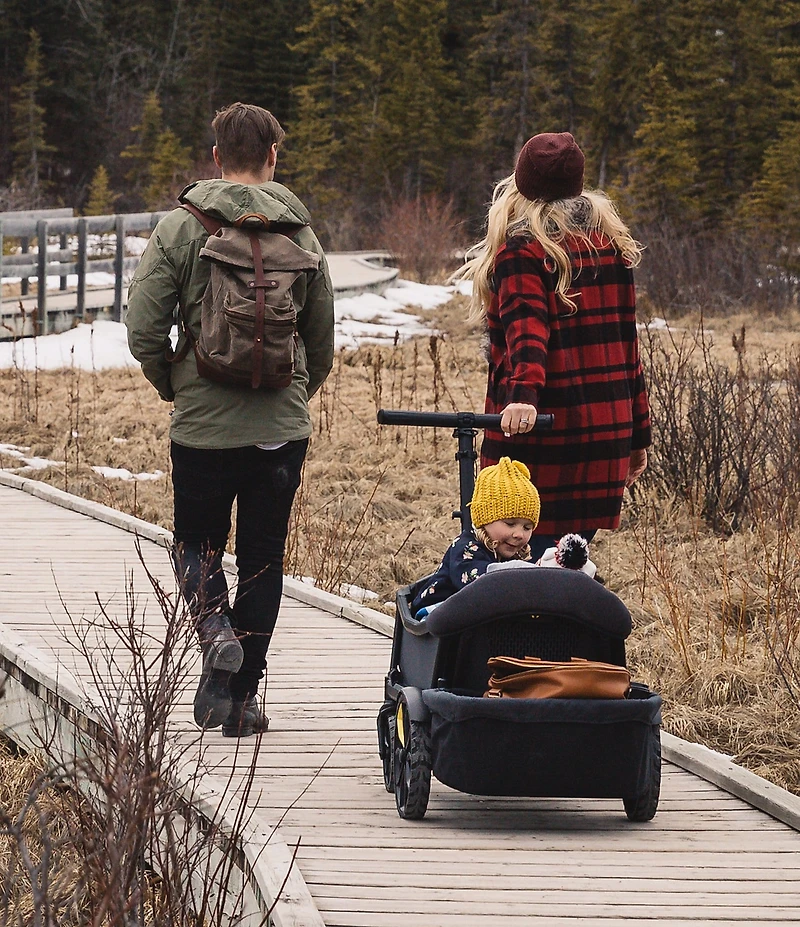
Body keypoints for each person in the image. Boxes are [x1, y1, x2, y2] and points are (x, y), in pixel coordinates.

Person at [126, 102, 335, 737]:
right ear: (274, 157)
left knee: (196, 544)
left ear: (216, 157)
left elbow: (142, 329)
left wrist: (177, 385)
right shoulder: (300, 233)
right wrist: (295, 393)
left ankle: (214, 630)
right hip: (279, 428)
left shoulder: (181, 227)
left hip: (202, 426)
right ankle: (239, 701)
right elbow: (321, 341)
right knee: (264, 557)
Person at [455, 131, 651, 561]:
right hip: (606, 439)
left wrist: (521, 398)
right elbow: (628, 350)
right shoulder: (611, 248)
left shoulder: (522, 251)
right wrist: (639, 436)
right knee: (564, 567)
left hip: (542, 437)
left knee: (520, 573)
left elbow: (528, 333)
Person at [411, 457, 540, 616]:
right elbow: (478, 586)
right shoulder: (466, 548)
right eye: (510, 523)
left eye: (527, 527)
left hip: (471, 619)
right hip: (433, 617)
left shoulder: (508, 552)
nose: (519, 534)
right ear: (484, 520)